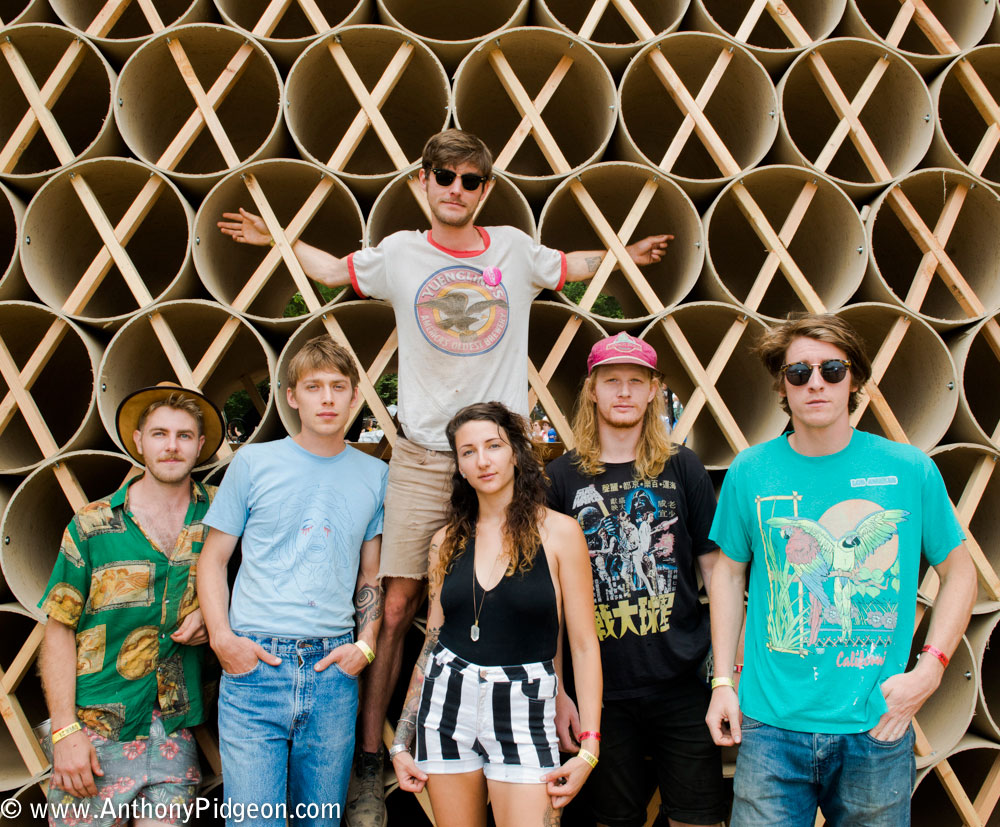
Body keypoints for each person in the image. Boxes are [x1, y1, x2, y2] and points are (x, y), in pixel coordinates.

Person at [218, 128, 671, 825]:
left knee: (531, 586)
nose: (456, 188)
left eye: (469, 179)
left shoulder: (514, 249)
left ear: (484, 188)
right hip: (428, 454)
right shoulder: (402, 253)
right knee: (398, 605)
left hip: (504, 449)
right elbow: (334, 271)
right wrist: (274, 236)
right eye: (444, 176)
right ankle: (372, 759)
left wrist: (625, 253)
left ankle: (542, 709)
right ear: (422, 182)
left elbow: (569, 263)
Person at [706, 314, 977, 826]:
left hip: (876, 724)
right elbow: (727, 575)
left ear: (854, 379)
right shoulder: (751, 470)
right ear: (782, 385)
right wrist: (722, 680)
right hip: (769, 726)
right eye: (798, 372)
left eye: (832, 369)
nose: (815, 382)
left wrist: (931, 669)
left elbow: (960, 571)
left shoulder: (909, 469)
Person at [197, 335, 388, 826]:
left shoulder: (374, 475)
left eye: (338, 386)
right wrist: (223, 640)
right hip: (255, 666)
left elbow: (371, 573)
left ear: (353, 396)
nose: (327, 398)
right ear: (291, 395)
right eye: (314, 386)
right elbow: (213, 559)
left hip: (332, 669)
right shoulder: (254, 464)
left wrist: (364, 646)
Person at [388, 402, 602, 827]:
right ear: (460, 468)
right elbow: (432, 639)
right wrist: (400, 741)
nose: (482, 460)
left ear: (517, 454)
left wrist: (590, 748)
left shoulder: (560, 532)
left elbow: (582, 641)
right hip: (447, 702)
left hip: (523, 705)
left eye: (493, 446)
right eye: (468, 452)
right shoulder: (445, 541)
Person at [546, 333, 727, 827]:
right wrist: (561, 690)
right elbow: (551, 600)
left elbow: (716, 571)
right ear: (592, 391)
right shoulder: (561, 478)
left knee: (700, 818)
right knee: (613, 821)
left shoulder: (682, 466)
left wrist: (724, 677)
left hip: (682, 683)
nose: (623, 392)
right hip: (601, 693)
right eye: (611, 381)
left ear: (653, 391)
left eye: (635, 381)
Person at [38, 383, 225, 825]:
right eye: (159, 434)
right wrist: (64, 731)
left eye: (184, 435)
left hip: (174, 733)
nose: (172, 446)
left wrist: (216, 613)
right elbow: (59, 628)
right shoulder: (92, 524)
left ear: (200, 446)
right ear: (139, 441)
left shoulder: (220, 516)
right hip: (94, 732)